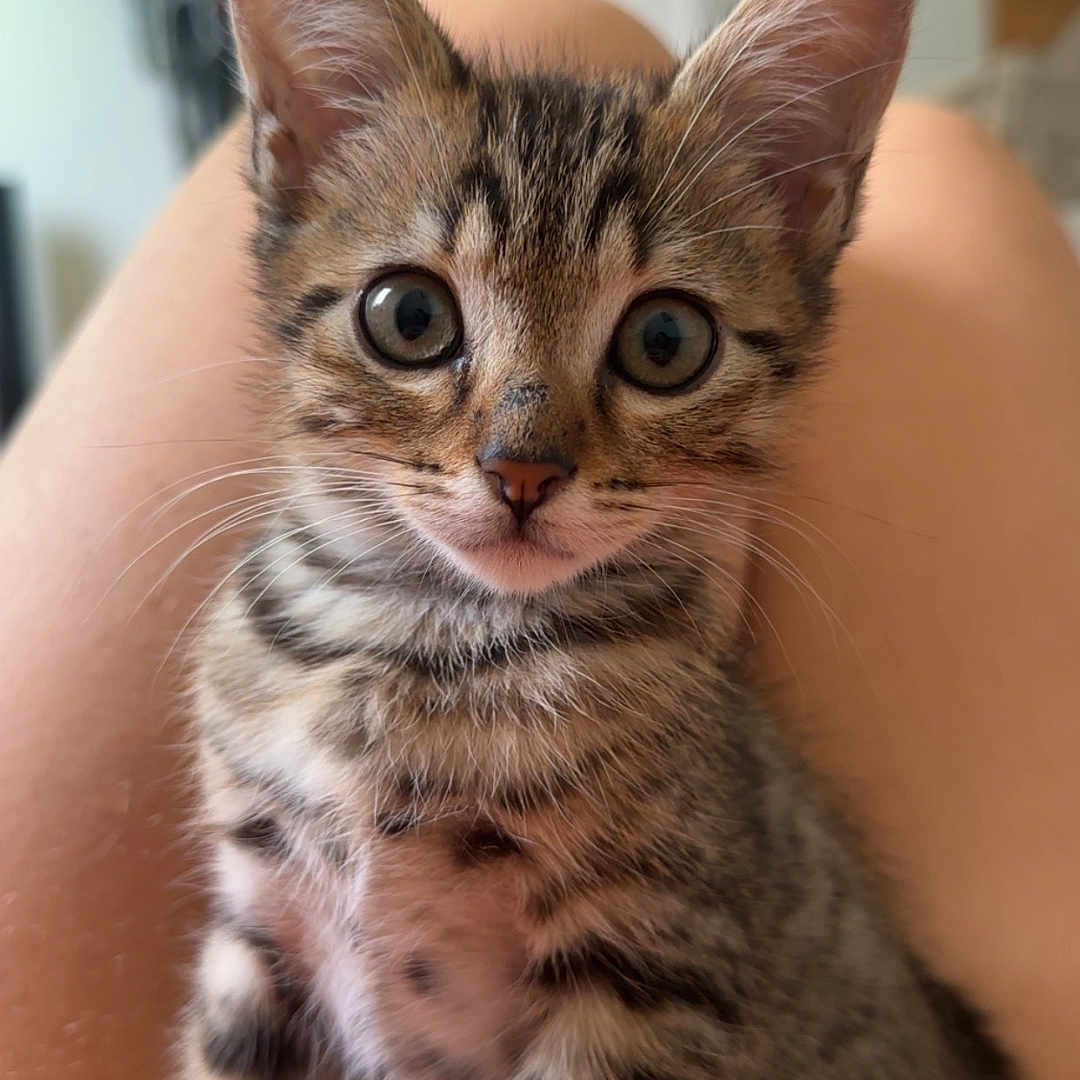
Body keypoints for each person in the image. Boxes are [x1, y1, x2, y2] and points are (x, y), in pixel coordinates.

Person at [1, 1, 1077, 1077]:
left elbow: (643, 1040)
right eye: (412, 320)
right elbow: (261, 1007)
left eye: (662, 345)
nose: (525, 458)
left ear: (803, 209)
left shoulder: (642, 710)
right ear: (304, 156)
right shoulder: (246, 657)